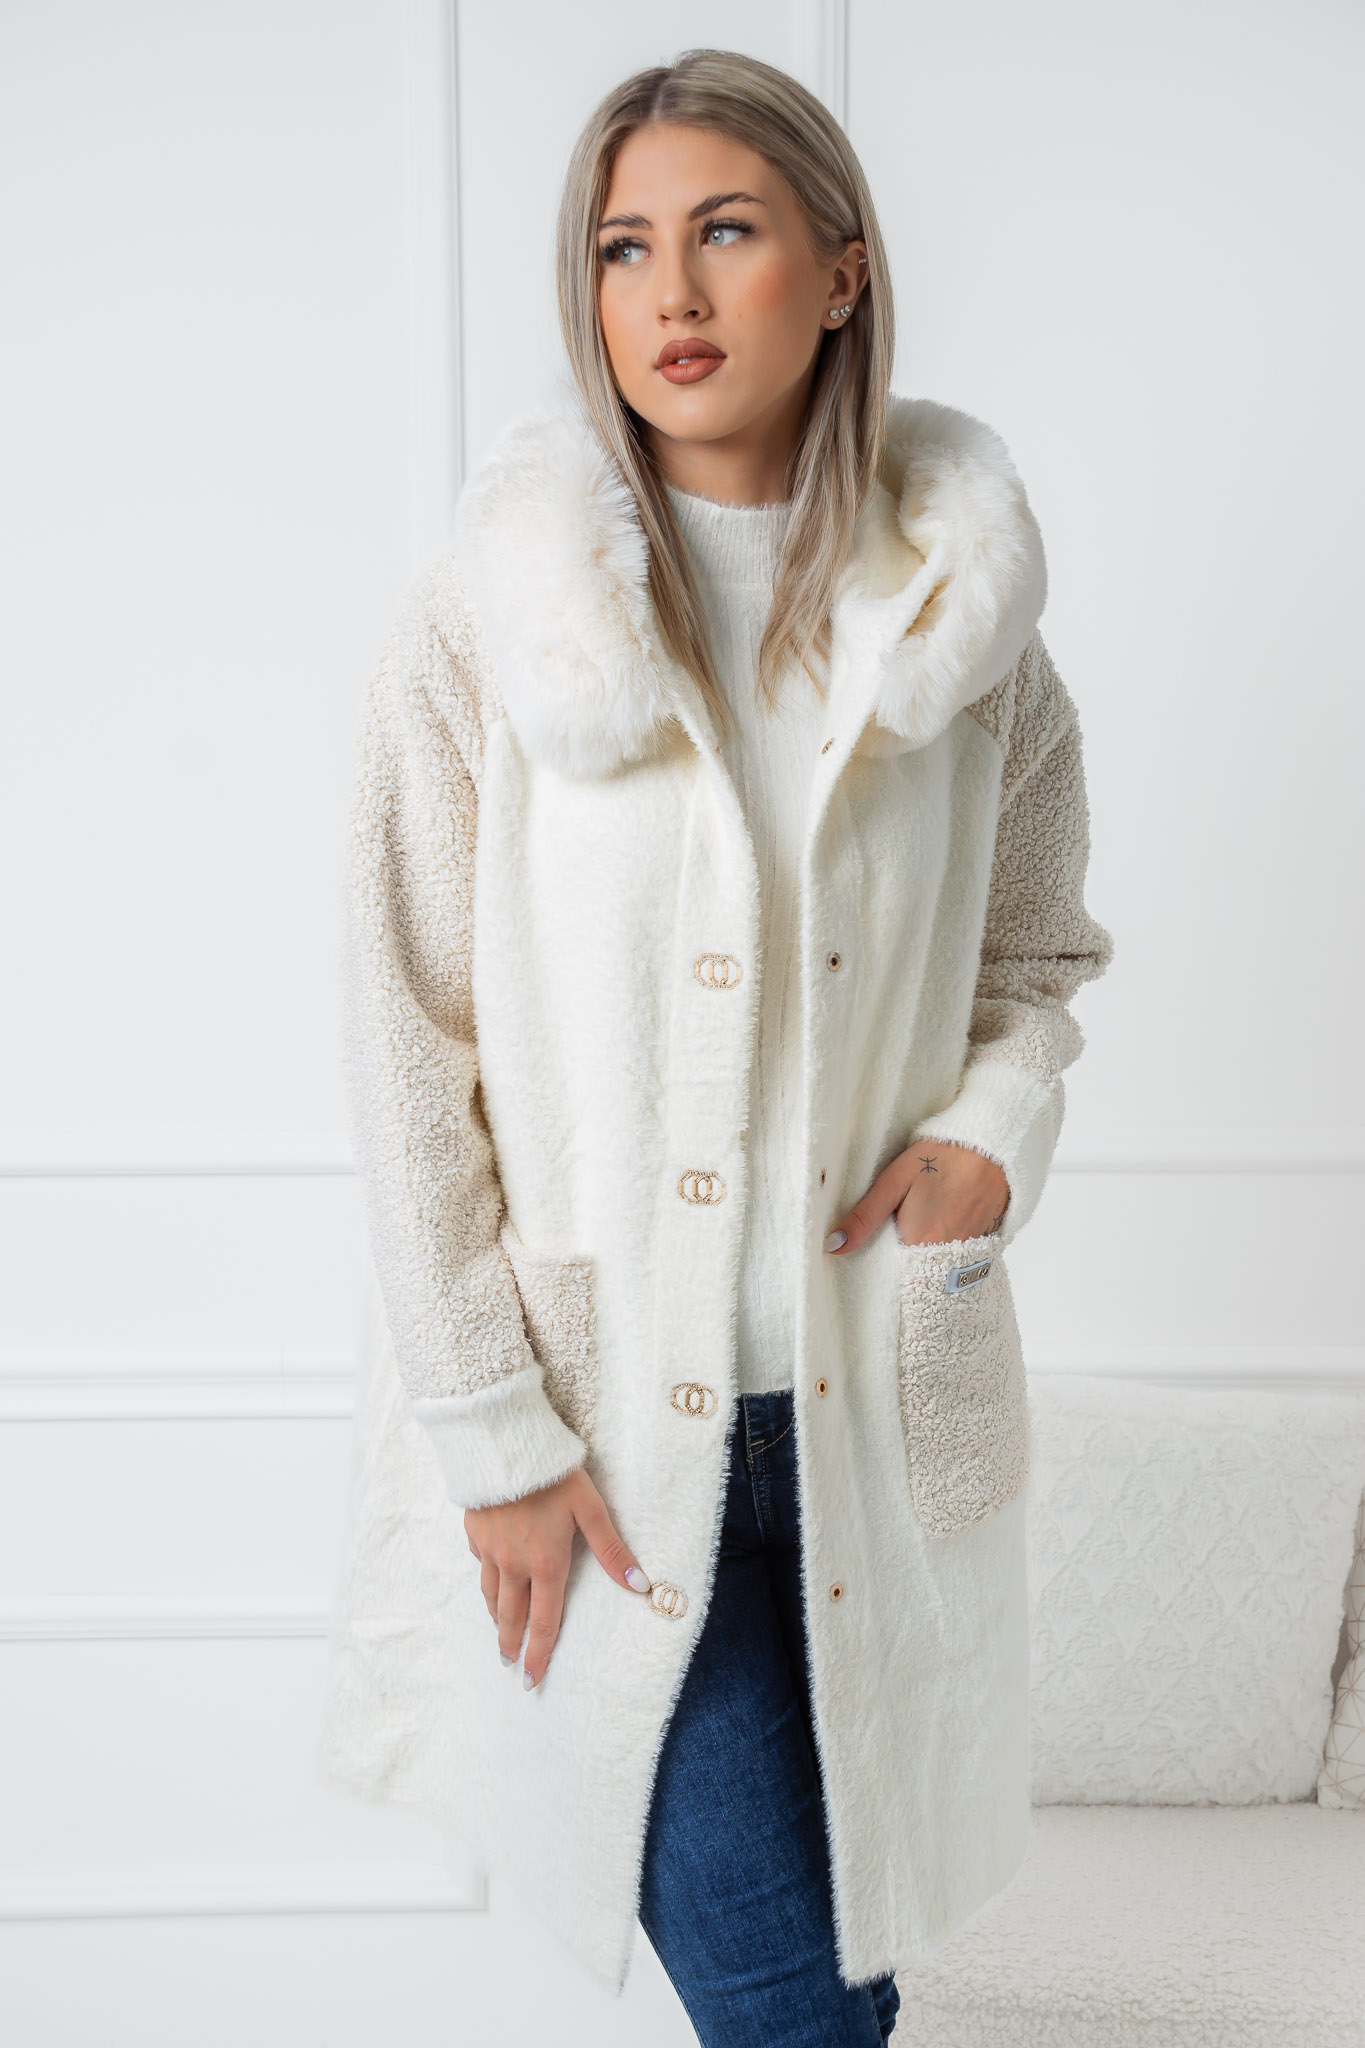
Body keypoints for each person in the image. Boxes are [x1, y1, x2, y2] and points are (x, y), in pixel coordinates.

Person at [320, 45, 1114, 2048]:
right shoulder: (490, 624)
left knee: (836, 1997)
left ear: (838, 274)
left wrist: (991, 1127)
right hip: (600, 1445)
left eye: (724, 232)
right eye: (621, 248)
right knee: (799, 2020)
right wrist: (494, 1436)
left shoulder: (965, 632)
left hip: (862, 1426)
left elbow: (1034, 957)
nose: (666, 294)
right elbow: (406, 1042)